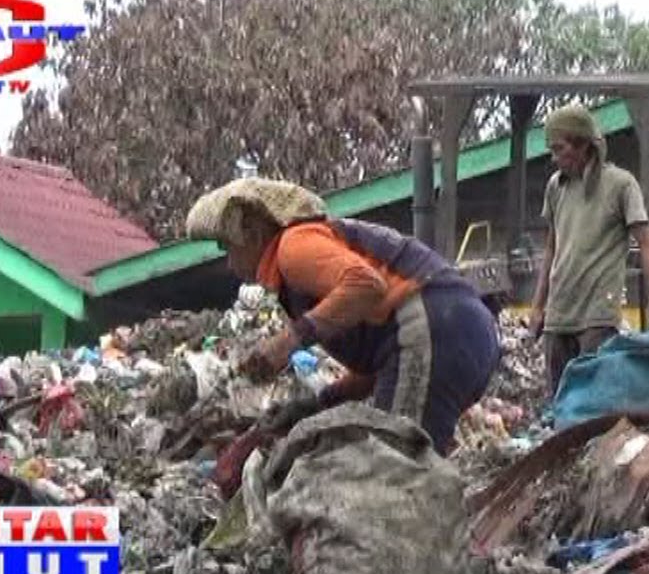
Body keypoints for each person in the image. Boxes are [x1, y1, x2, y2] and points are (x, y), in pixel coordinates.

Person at [185, 176, 501, 455]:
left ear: (252, 234)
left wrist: (288, 341)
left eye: (227, 247)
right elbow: (386, 354)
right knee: (415, 468)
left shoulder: (293, 248)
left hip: (438, 327)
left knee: (393, 474)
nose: (229, 263)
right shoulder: (314, 254)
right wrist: (320, 402)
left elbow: (367, 286)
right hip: (463, 332)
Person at [529, 103, 649, 398]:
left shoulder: (620, 185)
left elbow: (646, 242)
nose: (554, 158)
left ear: (583, 144)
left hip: (597, 313)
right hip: (560, 311)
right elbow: (551, 249)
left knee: (591, 398)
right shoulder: (556, 187)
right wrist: (537, 306)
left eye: (560, 149)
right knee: (558, 400)